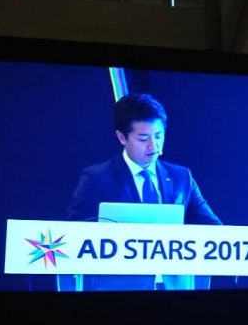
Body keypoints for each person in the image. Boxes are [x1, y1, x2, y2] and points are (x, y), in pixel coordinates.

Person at [68, 93, 221, 290]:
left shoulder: (181, 177)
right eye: (143, 138)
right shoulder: (97, 178)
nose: (153, 145)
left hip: (176, 288)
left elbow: (213, 228)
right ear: (122, 137)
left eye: (158, 136)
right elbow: (75, 235)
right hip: (120, 291)